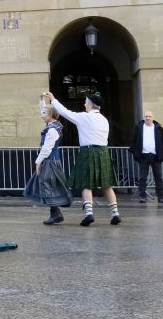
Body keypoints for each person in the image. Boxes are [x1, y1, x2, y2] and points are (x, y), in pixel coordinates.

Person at [43, 90, 121, 227]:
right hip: (103, 152)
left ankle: (89, 214)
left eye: (85, 102)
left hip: (88, 152)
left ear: (90, 104)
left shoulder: (85, 117)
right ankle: (115, 214)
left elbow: (65, 112)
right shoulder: (104, 120)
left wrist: (53, 99)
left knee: (86, 184)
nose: (84, 105)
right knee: (107, 185)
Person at [24, 100, 71, 225]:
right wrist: (41, 100)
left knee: (48, 186)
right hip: (51, 161)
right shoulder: (53, 125)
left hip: (50, 162)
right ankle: (55, 213)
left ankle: (56, 213)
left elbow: (46, 148)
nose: (42, 115)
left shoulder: (52, 130)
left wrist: (38, 162)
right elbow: (45, 110)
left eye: (44, 113)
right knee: (47, 186)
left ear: (50, 115)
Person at [128, 110, 163, 204]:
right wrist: (136, 153)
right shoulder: (138, 127)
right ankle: (142, 196)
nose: (148, 118)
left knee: (158, 177)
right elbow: (132, 140)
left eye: (149, 116)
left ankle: (161, 197)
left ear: (153, 117)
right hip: (143, 156)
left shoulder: (159, 128)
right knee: (142, 177)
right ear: (144, 117)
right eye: (146, 116)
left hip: (156, 156)